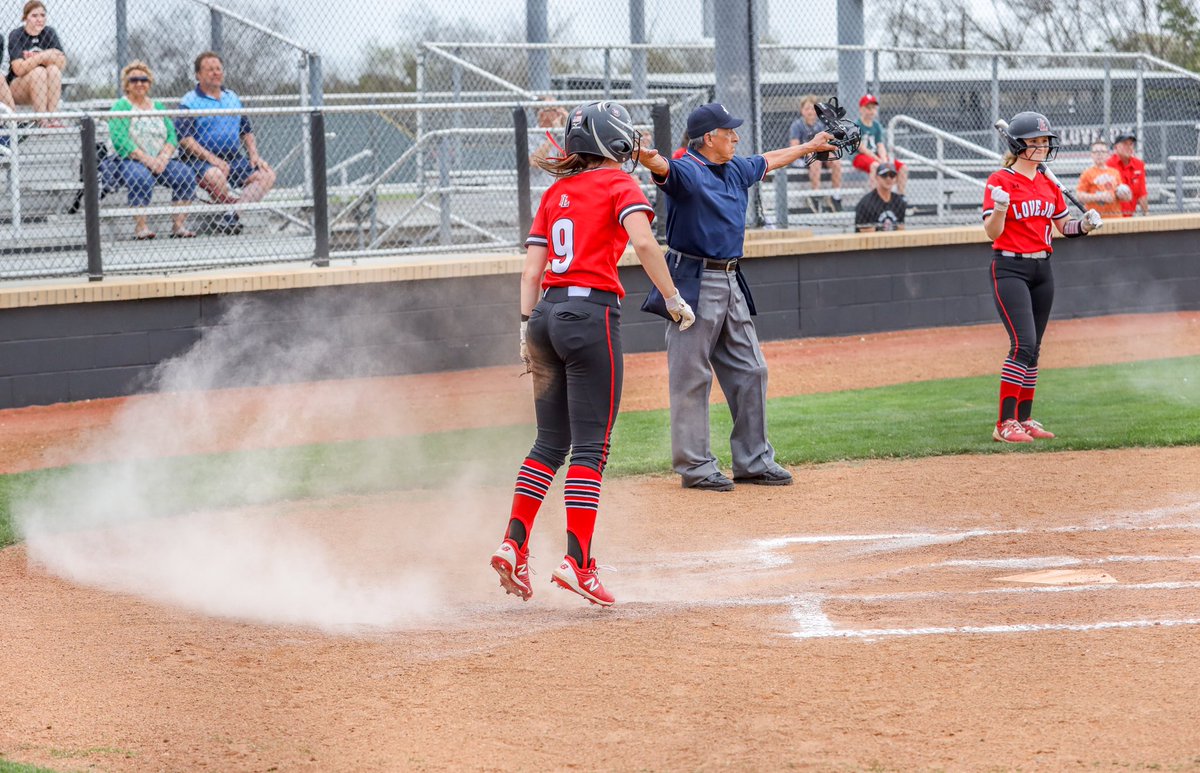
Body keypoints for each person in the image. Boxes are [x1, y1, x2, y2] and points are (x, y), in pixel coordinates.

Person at [490, 100, 696, 607]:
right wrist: (673, 299)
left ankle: (512, 544)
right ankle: (577, 562)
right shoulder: (618, 184)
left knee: (547, 444)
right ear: (612, 142)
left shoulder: (556, 190)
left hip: (542, 318)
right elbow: (645, 246)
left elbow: (530, 274)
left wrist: (523, 328)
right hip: (590, 317)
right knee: (589, 449)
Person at [635, 102, 835, 491]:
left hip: (730, 279)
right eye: (729, 132)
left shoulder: (735, 168)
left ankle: (754, 461)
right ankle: (695, 467)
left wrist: (810, 146)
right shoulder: (687, 171)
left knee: (752, 369)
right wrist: (643, 154)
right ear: (709, 138)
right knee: (691, 376)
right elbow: (661, 167)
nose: (736, 137)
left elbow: (772, 158)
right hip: (691, 281)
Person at [982, 111, 1103, 443]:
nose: (1042, 147)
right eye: (1034, 142)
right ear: (1019, 145)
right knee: (1022, 344)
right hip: (1009, 268)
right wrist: (1002, 208)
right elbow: (992, 232)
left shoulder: (1049, 183)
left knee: (1034, 349)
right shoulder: (999, 180)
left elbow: (1065, 227)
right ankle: (1004, 423)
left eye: (1044, 142)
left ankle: (1024, 418)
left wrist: (1087, 225)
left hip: (1042, 269)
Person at [176, 51, 275, 235]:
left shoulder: (232, 97)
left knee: (266, 174)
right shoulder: (190, 101)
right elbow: (185, 139)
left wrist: (254, 155)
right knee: (216, 175)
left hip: (233, 158)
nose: (215, 73)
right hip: (199, 161)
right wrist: (213, 160)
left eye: (218, 69)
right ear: (198, 75)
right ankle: (223, 211)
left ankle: (231, 215)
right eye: (209, 69)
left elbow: (246, 131)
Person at [107, 61, 197, 240]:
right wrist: (147, 159)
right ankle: (141, 227)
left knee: (185, 175)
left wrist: (163, 157)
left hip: (160, 160)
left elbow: (171, 135)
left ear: (149, 82)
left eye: (144, 79)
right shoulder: (121, 106)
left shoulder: (158, 107)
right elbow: (120, 140)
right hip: (131, 159)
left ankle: (178, 225)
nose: (139, 83)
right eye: (134, 80)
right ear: (127, 84)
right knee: (140, 177)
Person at [6, 1, 66, 127]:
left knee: (54, 70)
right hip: (18, 86)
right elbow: (18, 69)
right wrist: (44, 56)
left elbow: (61, 63)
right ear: (25, 17)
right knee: (39, 72)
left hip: (46, 87)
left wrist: (31, 60)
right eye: (34, 16)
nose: (39, 19)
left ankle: (54, 118)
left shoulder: (49, 33)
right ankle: (42, 120)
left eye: (42, 15)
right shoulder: (17, 35)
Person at [789, 95, 843, 212]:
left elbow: (828, 141)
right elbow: (795, 146)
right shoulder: (797, 125)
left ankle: (836, 196)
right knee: (815, 159)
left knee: (836, 162)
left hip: (820, 152)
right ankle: (816, 194)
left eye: (813, 109)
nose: (810, 111)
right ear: (802, 111)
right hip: (805, 155)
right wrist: (810, 149)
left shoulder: (821, 125)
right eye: (807, 108)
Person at [853, 94, 907, 195]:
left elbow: (880, 145)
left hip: (877, 156)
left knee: (902, 167)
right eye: (868, 108)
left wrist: (885, 160)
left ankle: (901, 196)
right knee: (875, 165)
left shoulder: (876, 125)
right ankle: (875, 198)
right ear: (861, 109)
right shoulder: (856, 125)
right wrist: (878, 160)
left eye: (873, 108)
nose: (871, 111)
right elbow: (861, 148)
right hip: (860, 156)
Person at [1075, 141, 1125, 219]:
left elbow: (1121, 194)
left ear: (1108, 154)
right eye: (1096, 152)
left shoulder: (1115, 172)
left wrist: (1124, 194)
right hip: (1095, 219)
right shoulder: (1087, 173)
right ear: (1092, 155)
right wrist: (1099, 197)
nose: (1099, 154)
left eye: (1102, 151)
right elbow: (1079, 196)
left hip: (1115, 216)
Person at [527, 99, 568, 189]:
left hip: (562, 191)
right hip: (540, 192)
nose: (559, 113)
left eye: (559, 108)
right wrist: (553, 134)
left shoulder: (564, 133)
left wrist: (569, 125)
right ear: (542, 115)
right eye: (554, 109)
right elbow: (535, 162)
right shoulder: (531, 135)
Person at [854, 160, 905, 232]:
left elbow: (900, 231)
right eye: (884, 175)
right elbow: (867, 237)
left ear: (896, 179)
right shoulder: (866, 203)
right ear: (877, 177)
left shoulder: (899, 201)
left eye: (892, 175)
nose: (888, 178)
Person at [1107, 132, 1149, 217]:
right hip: (1111, 216)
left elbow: (1142, 193)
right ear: (1116, 147)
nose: (1129, 147)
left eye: (1131, 144)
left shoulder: (1138, 165)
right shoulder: (1108, 165)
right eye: (1125, 144)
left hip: (1129, 216)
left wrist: (1146, 214)